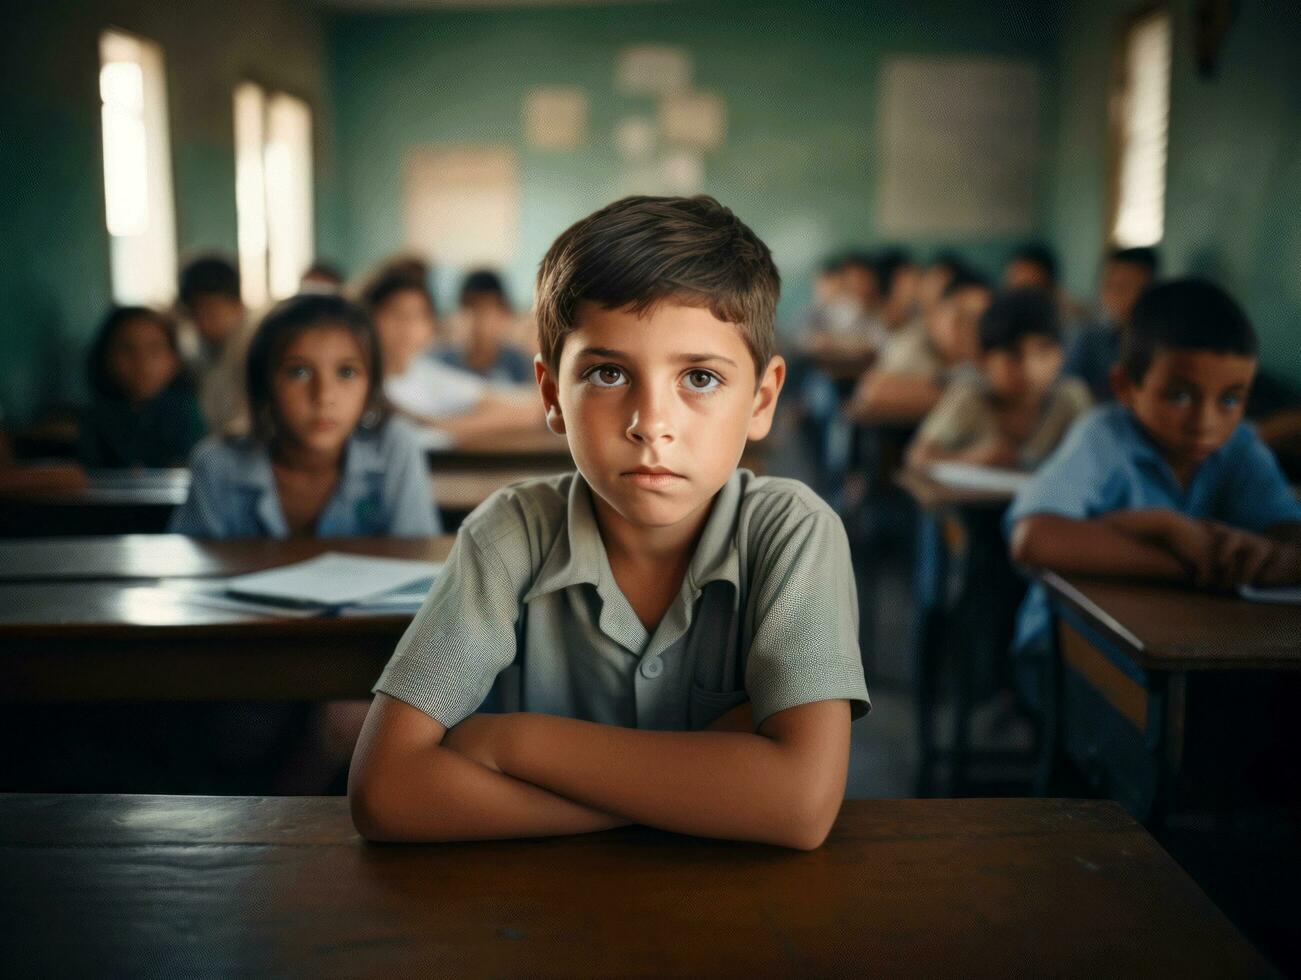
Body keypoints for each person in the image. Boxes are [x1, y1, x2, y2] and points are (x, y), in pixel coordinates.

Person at [349, 195, 871, 849]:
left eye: (700, 378)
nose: (650, 423)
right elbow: (387, 793)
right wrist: (702, 789)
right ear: (550, 395)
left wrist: (514, 742)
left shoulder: (790, 532)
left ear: (761, 400)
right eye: (607, 372)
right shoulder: (509, 533)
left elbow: (797, 807)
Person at [1007, 278, 1301, 664]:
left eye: (1230, 399)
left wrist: (1273, 557)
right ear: (1125, 386)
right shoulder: (1104, 437)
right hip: (1065, 653)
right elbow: (1033, 539)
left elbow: (1287, 532)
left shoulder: (1240, 447)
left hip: (1186, 649)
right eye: (1179, 395)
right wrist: (1188, 550)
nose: (1205, 422)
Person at [170, 292, 438, 538]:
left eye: (346, 372)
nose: (323, 396)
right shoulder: (217, 465)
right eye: (299, 372)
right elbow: (195, 575)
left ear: (370, 387)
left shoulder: (395, 447)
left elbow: (418, 562)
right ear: (265, 386)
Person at [907, 289, 1092, 470]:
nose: (1029, 368)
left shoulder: (1070, 399)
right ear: (984, 360)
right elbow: (919, 456)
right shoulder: (971, 397)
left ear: (1060, 356)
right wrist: (972, 459)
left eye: (1042, 352)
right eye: (1014, 355)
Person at [360, 263, 542, 442]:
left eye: (417, 316)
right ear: (369, 317)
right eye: (396, 314)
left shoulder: (426, 374)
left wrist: (439, 426)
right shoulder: (358, 379)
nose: (407, 327)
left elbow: (530, 410)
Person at [848, 271, 992, 423]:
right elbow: (873, 390)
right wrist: (967, 398)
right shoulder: (916, 342)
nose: (971, 329)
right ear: (938, 314)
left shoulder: (988, 356)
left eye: (981, 320)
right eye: (962, 318)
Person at [78, 306, 204, 469]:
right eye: (127, 350)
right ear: (106, 358)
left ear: (175, 360)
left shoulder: (187, 414)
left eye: (154, 350)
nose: (142, 363)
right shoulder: (97, 418)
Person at [1063, 246, 1159, 402]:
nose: (1113, 294)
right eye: (1109, 285)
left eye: (1124, 286)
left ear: (1149, 291)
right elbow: (1068, 390)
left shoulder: (1160, 346)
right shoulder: (1090, 339)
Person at [176, 254, 252, 436]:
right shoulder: (193, 349)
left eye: (211, 311)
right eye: (194, 313)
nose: (202, 323)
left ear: (237, 306)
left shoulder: (255, 348)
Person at [436, 269, 534, 385]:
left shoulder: (517, 363)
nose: (480, 321)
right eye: (472, 309)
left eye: (486, 311)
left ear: (503, 314)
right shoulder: (444, 362)